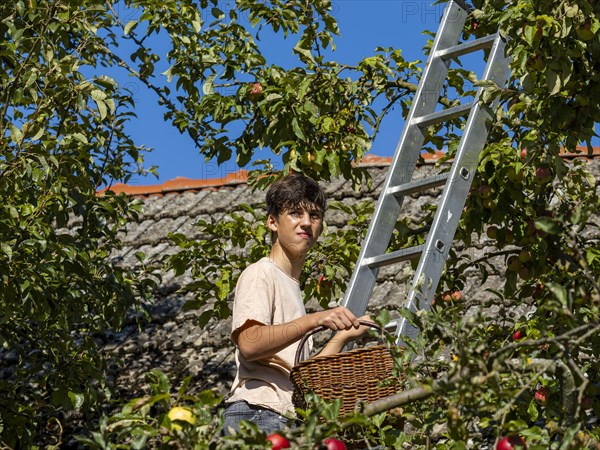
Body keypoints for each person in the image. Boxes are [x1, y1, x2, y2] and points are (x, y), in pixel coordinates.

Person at [222, 172, 370, 436]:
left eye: (314, 216)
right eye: (295, 213)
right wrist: (315, 319)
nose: (305, 223)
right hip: (259, 413)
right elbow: (249, 343)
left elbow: (304, 381)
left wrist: (341, 338)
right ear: (272, 222)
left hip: (285, 416)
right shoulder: (261, 273)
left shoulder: (292, 287)